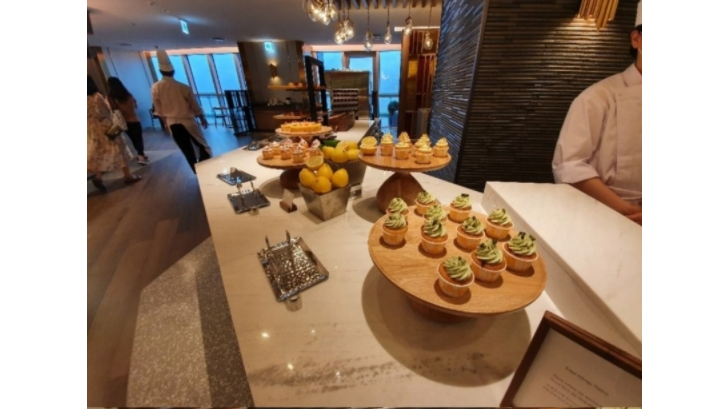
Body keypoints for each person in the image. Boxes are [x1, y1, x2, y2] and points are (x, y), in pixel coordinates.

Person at [552, 22, 642, 225]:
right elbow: (569, 165)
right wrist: (628, 211)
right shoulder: (597, 97)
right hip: (600, 214)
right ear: (636, 39)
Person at [150, 50, 212, 173]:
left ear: (160, 71)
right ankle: (207, 168)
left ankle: (196, 172)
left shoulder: (156, 87)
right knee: (202, 145)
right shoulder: (183, 87)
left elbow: (159, 109)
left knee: (186, 150)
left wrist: (165, 124)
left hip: (171, 122)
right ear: (173, 71)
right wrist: (202, 118)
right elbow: (194, 105)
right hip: (187, 121)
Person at [87, 76, 142, 193]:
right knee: (120, 149)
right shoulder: (97, 97)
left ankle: (98, 176)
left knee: (98, 153)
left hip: (91, 129)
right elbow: (105, 111)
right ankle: (128, 176)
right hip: (105, 127)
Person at [107, 76, 149, 165]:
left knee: (133, 139)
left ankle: (141, 154)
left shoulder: (111, 98)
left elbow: (112, 109)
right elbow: (135, 106)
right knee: (138, 138)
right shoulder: (128, 95)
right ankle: (141, 155)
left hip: (123, 122)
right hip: (134, 119)